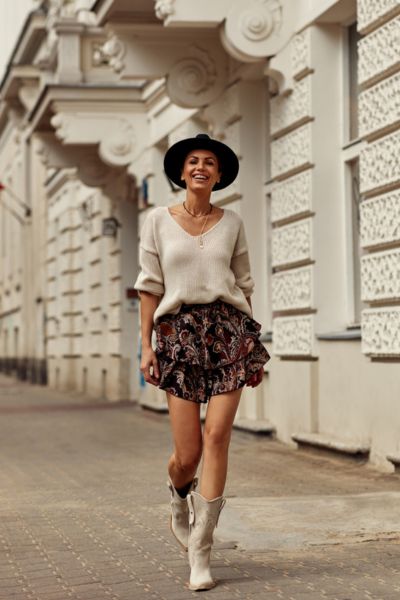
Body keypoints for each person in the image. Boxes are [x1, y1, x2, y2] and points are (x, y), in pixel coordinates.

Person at [134, 133, 270, 591]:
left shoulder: (231, 222)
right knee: (187, 453)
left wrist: (252, 344)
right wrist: (147, 345)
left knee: (218, 436)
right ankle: (177, 496)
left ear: (218, 174)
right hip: (178, 334)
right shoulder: (158, 220)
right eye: (193, 161)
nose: (200, 167)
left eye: (209, 162)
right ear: (181, 172)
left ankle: (201, 547)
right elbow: (149, 284)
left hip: (229, 331)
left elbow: (245, 283)